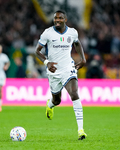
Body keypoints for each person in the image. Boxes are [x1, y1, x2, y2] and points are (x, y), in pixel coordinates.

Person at [35, 10, 87, 140]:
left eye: (60, 18)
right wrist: (46, 62)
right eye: (55, 18)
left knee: (74, 93)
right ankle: (50, 105)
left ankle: (81, 130)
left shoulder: (72, 32)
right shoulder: (47, 33)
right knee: (57, 100)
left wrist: (83, 58)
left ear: (65, 20)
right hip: (53, 71)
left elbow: (77, 43)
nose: (57, 20)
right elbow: (37, 51)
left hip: (68, 68)